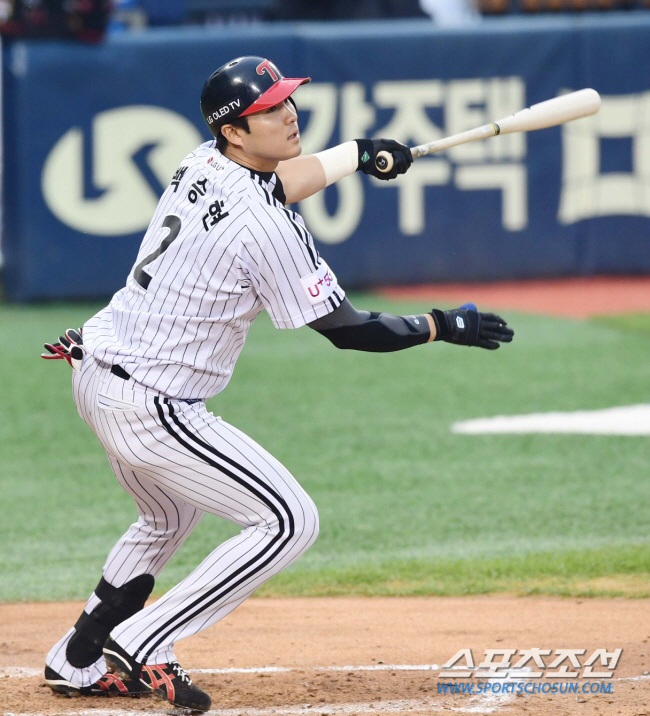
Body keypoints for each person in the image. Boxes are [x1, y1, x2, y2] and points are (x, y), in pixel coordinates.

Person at [41, 56, 514, 712]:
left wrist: (358, 154)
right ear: (235, 130)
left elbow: (276, 183)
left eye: (289, 100)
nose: (289, 114)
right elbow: (349, 328)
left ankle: (79, 658)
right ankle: (143, 640)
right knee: (290, 520)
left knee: (168, 514)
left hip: (97, 371)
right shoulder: (266, 228)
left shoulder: (203, 161)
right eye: (271, 109)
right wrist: (440, 324)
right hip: (153, 406)